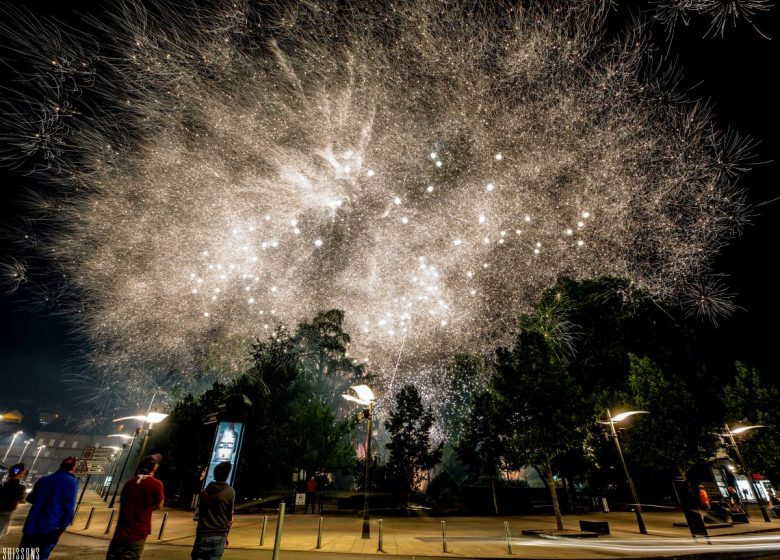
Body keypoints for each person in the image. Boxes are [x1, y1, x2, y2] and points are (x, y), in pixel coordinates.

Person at [18, 457, 78, 560]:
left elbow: (30, 498)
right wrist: (63, 527)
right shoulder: (71, 482)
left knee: (21, 555)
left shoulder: (44, 479)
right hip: (51, 527)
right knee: (41, 556)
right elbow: (69, 507)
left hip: (33, 524)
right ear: (73, 468)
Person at [107, 453, 165, 560]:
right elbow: (160, 504)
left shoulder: (129, 483)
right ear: (154, 467)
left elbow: (123, 501)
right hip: (138, 533)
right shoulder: (156, 484)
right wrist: (148, 508)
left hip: (120, 534)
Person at [191, 462, 235, 560]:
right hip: (219, 535)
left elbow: (199, 515)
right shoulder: (230, 492)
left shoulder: (204, 493)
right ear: (226, 476)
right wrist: (225, 536)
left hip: (202, 534)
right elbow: (229, 518)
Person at [0, 463, 27, 539]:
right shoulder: (20, 487)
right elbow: (22, 500)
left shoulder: (2, 485)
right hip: (6, 513)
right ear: (20, 474)